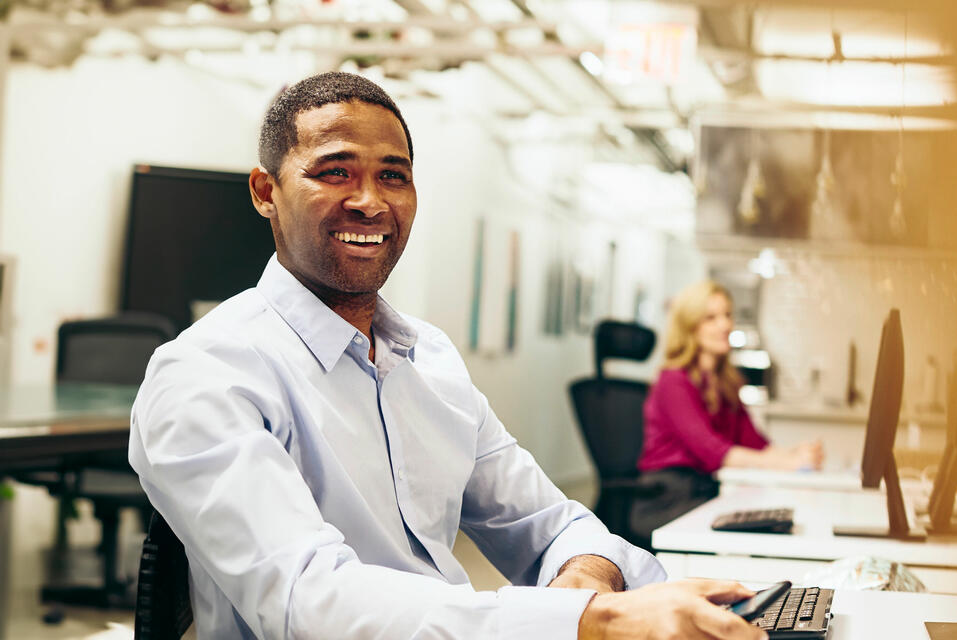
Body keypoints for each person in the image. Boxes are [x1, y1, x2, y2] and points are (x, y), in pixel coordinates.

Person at [128, 72, 766, 640]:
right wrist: (582, 622)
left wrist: (585, 579)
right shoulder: (207, 375)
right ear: (266, 192)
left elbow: (552, 521)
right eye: (334, 171)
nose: (371, 201)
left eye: (393, 176)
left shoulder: (428, 362)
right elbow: (307, 603)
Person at [631, 280, 823, 546]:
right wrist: (787, 463)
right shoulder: (672, 381)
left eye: (727, 315)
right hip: (667, 497)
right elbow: (715, 452)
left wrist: (797, 456)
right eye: (711, 318)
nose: (725, 325)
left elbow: (756, 444)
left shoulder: (725, 383)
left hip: (704, 490)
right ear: (690, 327)